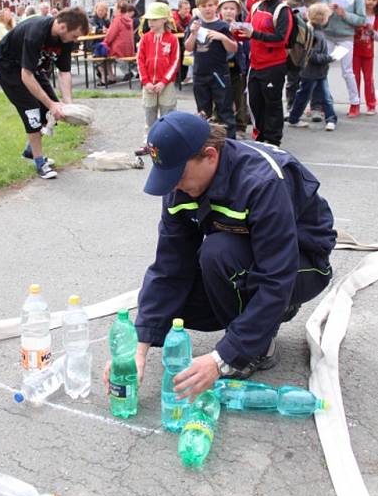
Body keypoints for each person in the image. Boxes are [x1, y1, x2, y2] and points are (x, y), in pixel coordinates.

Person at [105, 111, 335, 397]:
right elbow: (169, 267)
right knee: (174, 307)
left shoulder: (262, 183)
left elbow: (277, 276)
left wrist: (221, 359)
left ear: (210, 155)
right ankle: (257, 324)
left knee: (218, 252)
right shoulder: (180, 186)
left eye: (177, 175)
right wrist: (138, 347)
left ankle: (256, 348)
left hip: (303, 262)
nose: (173, 186)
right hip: (248, 255)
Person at [0, 7, 90, 180]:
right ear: (62, 27)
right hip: (9, 66)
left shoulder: (65, 40)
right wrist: (52, 104)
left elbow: (64, 72)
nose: (75, 40)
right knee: (32, 111)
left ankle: (30, 151)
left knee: (49, 111)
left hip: (34, 68)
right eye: (74, 36)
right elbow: (26, 75)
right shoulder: (36, 32)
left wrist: (67, 105)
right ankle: (39, 162)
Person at [240, 0, 293, 146]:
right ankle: (259, 136)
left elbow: (281, 39)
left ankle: (273, 140)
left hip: (273, 66)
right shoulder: (255, 6)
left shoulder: (282, 10)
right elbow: (248, 29)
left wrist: (254, 34)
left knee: (272, 104)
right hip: (255, 64)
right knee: (254, 103)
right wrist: (236, 29)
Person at [184, 0, 237, 139]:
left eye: (210, 5)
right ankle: (205, 141)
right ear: (198, 7)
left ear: (216, 5)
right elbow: (188, 47)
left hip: (220, 74)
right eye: (203, 6)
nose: (207, 9)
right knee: (203, 112)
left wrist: (223, 37)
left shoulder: (222, 26)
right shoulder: (194, 24)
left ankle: (230, 143)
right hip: (200, 74)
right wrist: (194, 33)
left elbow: (234, 48)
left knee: (225, 110)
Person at [323, 0, 366, 117]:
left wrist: (344, 14)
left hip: (345, 37)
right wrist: (327, 10)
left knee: (347, 71)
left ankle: (355, 103)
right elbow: (321, 10)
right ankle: (323, 102)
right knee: (322, 69)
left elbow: (362, 19)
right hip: (328, 35)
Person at [136, 1, 180, 150]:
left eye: (154, 19)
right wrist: (146, 81)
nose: (150, 22)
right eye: (149, 19)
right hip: (148, 85)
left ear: (164, 20)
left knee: (167, 114)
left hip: (165, 85)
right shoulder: (145, 39)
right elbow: (140, 60)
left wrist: (164, 81)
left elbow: (175, 62)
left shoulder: (172, 39)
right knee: (150, 114)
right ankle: (149, 142)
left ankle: (167, 142)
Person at [287, 3, 337, 131]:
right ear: (323, 18)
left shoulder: (312, 31)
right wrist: (330, 58)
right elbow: (312, 56)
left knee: (306, 96)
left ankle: (330, 119)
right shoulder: (316, 34)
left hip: (313, 72)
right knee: (313, 96)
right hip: (313, 72)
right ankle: (329, 119)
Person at [286, 0, 322, 113]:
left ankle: (316, 106)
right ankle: (291, 105)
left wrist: (312, 18)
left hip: (312, 42)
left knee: (312, 76)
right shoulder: (290, 2)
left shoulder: (315, 1)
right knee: (293, 78)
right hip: (295, 45)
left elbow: (323, 22)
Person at [217, 0, 249, 138]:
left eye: (232, 8)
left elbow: (247, 46)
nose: (229, 11)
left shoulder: (242, 27)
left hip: (237, 67)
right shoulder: (216, 26)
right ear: (220, 10)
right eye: (225, 8)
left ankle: (240, 126)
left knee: (239, 97)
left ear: (237, 11)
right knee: (219, 96)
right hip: (219, 67)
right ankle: (218, 124)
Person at [352, 0, 378, 115]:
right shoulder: (358, 14)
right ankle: (355, 104)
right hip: (355, 51)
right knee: (355, 78)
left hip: (368, 53)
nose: (371, 2)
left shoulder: (376, 18)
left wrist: (373, 32)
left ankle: (371, 105)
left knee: (369, 80)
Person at [103, 0, 135, 83]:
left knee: (103, 56)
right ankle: (130, 71)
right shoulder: (129, 20)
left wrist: (104, 43)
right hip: (129, 48)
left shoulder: (117, 20)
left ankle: (111, 77)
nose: (113, 10)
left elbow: (110, 35)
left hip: (118, 49)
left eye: (114, 8)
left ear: (119, 10)